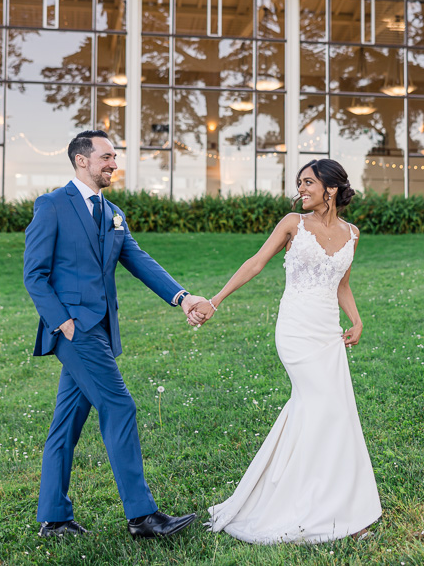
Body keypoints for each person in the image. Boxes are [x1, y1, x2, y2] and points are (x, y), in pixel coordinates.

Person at [23, 129, 208, 540]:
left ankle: (54, 519)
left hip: (101, 329)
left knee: (66, 423)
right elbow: (33, 274)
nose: (113, 164)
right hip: (75, 330)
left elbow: (138, 259)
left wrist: (182, 297)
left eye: (114, 157)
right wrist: (63, 321)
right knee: (120, 406)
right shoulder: (52, 205)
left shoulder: (111, 212)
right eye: (106, 156)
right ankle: (142, 516)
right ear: (81, 160)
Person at [190, 159, 381, 544]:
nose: (301, 189)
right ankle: (315, 506)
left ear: (330, 188)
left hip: (328, 332)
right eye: (300, 183)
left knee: (331, 411)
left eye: (308, 182)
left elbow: (342, 283)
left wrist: (357, 320)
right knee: (325, 407)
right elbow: (256, 263)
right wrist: (216, 300)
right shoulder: (292, 223)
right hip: (296, 331)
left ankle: (341, 507)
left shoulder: (352, 233)